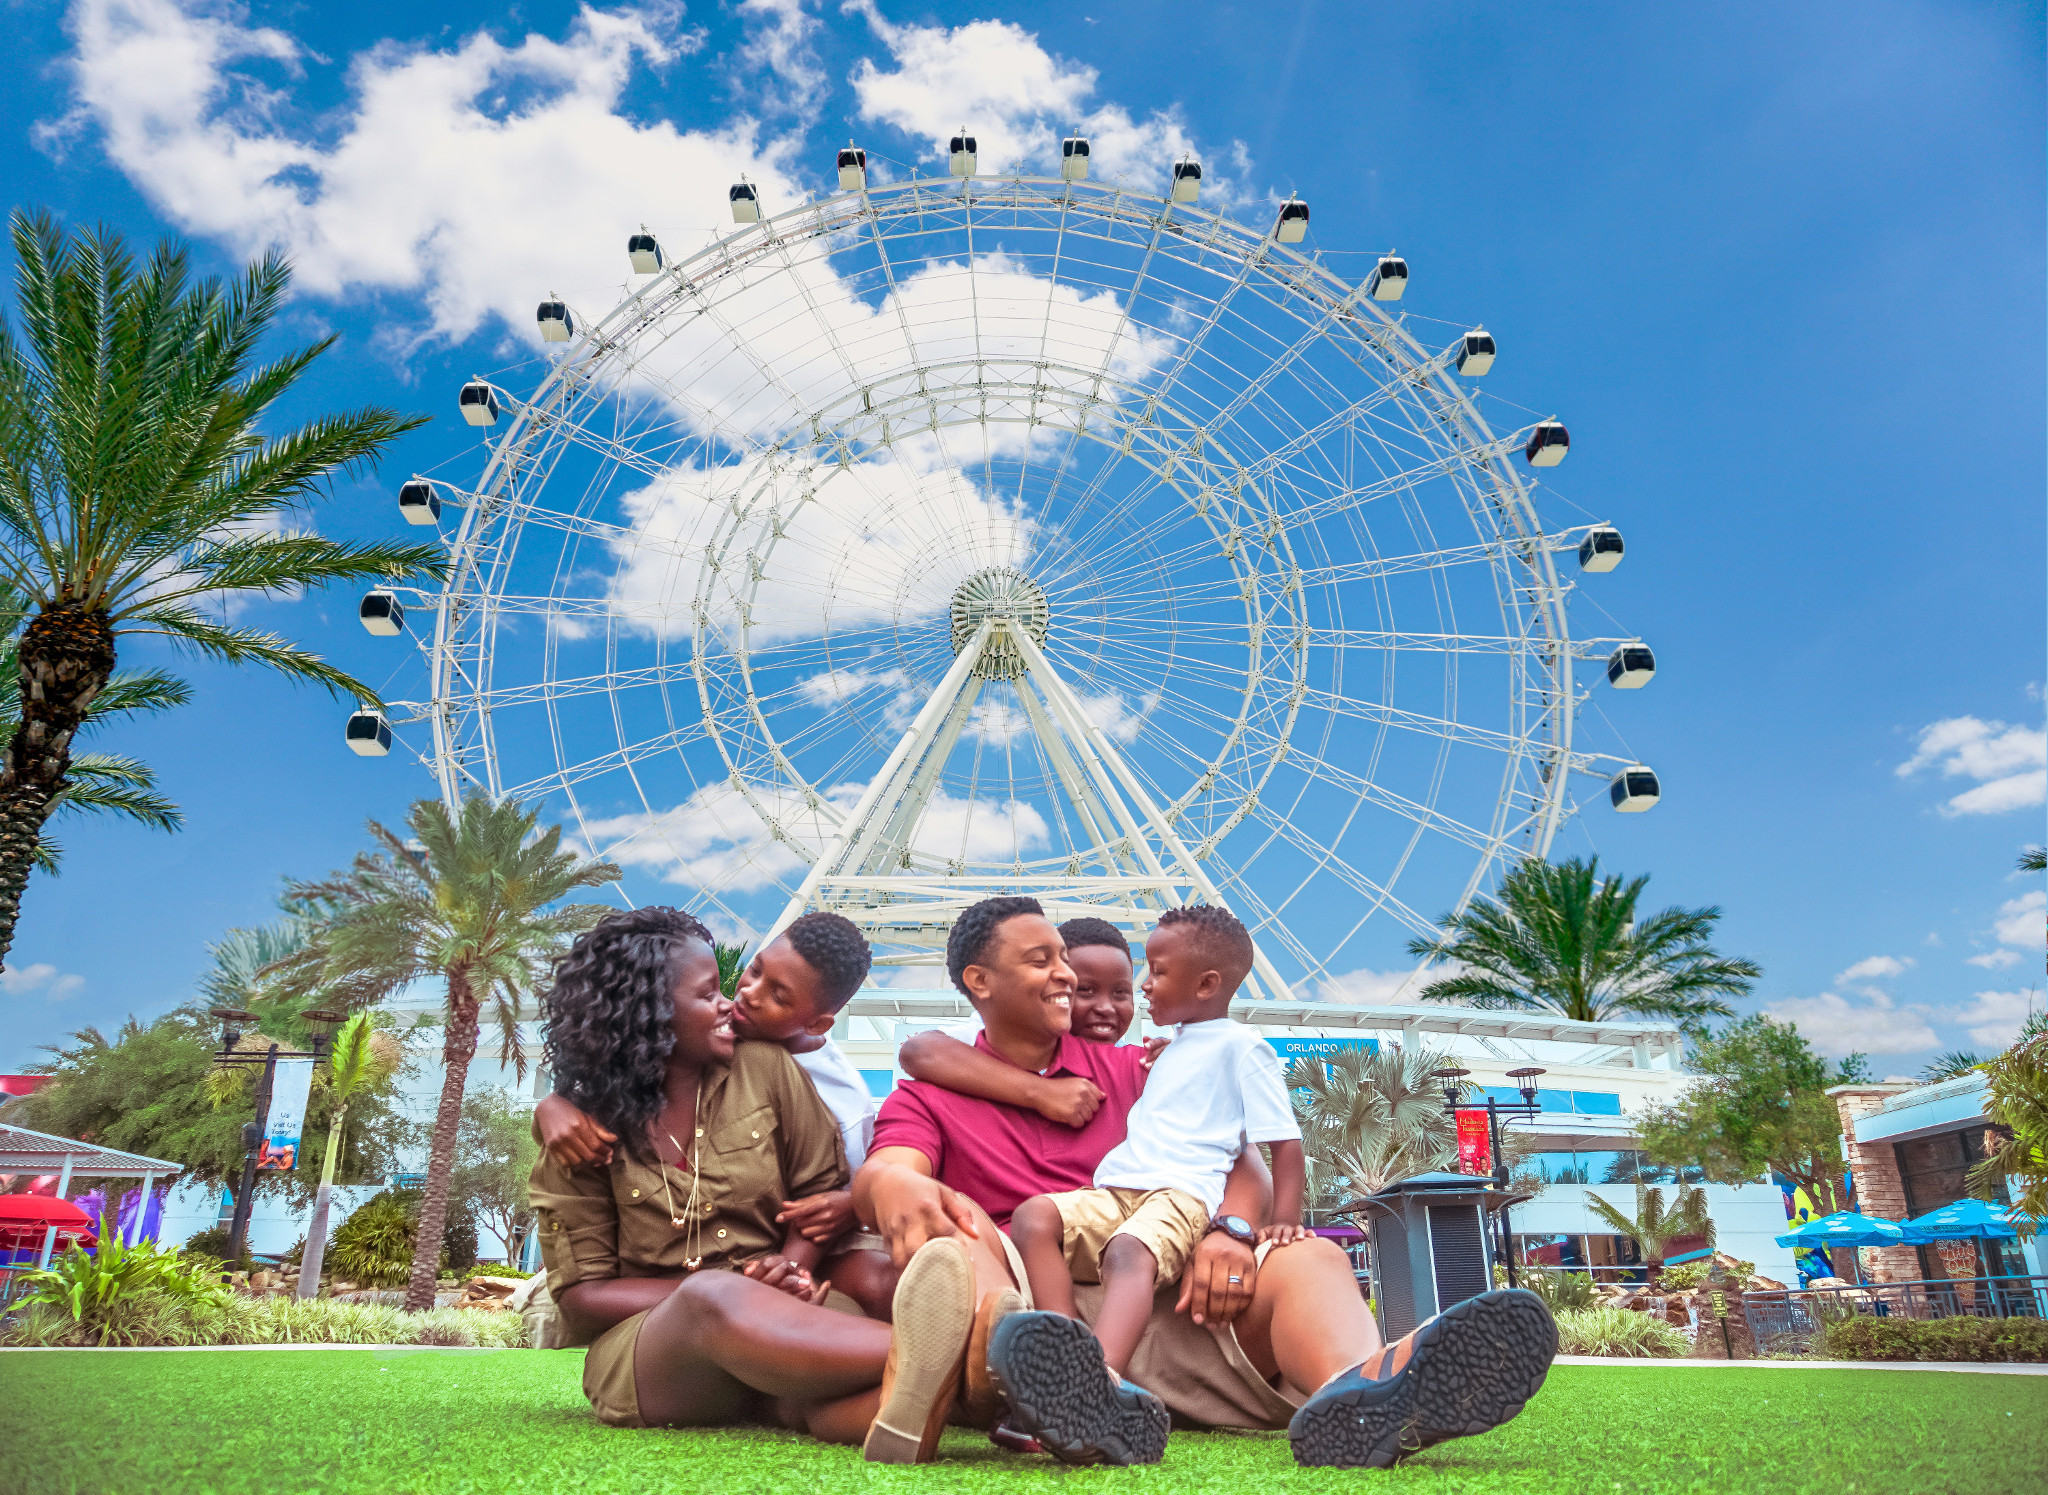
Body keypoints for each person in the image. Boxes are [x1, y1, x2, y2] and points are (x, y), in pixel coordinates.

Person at [853, 895, 1558, 1469]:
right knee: (961, 1229)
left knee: (1309, 1256)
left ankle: (1368, 1391)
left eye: (1066, 959)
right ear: (979, 981)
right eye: (1046, 960)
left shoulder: (1138, 1070)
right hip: (1032, 1304)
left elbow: (1239, 1159)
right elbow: (895, 1162)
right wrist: (892, 1186)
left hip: (1169, 1289)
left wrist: (1233, 1228)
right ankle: (1059, 1388)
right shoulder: (924, 1094)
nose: (1068, 975)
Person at [529, 905, 979, 1454]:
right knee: (711, 1297)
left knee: (808, 1397)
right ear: (647, 1015)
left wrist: (789, 1268)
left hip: (786, 1312)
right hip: (657, 1348)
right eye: (707, 994)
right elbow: (583, 1296)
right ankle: (980, 1358)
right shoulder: (580, 1131)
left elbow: (817, 1195)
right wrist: (738, 1290)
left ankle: (948, 1399)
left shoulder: (766, 1068)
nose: (731, 1004)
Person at [1007, 905, 1307, 1394]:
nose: (1146, 984)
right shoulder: (1173, 1046)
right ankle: (1064, 1356)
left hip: (1180, 1194)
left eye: (1157, 973)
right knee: (1034, 1218)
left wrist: (1284, 1221)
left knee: (1129, 1252)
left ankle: (1096, 1386)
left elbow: (1283, 1143)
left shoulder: (1244, 1048)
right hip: (1120, 1189)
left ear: (1206, 986)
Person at [536, 911, 896, 1316]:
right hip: (659, 1311)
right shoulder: (592, 1122)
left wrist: (828, 1229)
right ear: (649, 1013)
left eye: (779, 995)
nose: (742, 998)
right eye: (752, 971)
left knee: (870, 1283)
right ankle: (925, 1371)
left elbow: (825, 1199)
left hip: (806, 1259)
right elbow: (585, 1291)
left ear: (816, 1023)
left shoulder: (823, 1091)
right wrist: (551, 1105)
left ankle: (930, 1367)